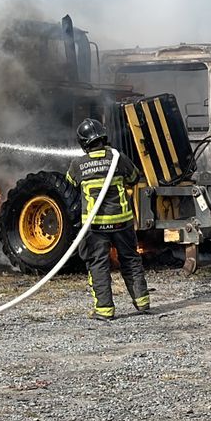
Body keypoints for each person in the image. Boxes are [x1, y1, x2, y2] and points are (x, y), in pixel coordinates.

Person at [69, 118, 151, 320]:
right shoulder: (118, 158)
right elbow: (134, 177)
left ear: (83, 142)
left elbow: (70, 182)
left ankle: (104, 310)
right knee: (130, 260)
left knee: (98, 264)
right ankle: (142, 303)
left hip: (95, 225)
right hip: (122, 222)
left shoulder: (78, 164)